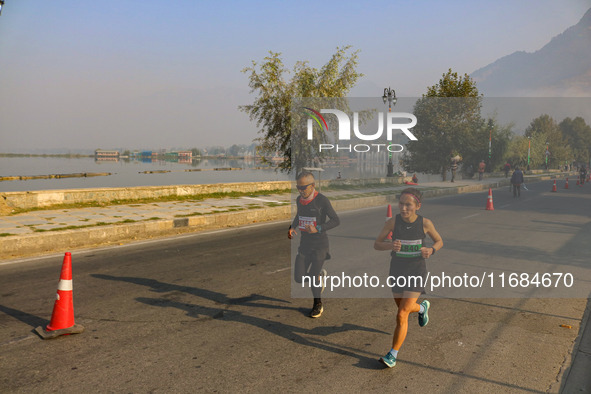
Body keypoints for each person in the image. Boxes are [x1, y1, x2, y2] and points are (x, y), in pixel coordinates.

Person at [373, 188, 443, 368]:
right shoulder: (392, 222)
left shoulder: (425, 223)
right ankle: (421, 308)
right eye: (401, 204)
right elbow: (376, 244)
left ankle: (392, 355)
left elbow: (439, 241)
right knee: (404, 308)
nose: (403, 208)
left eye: (408, 205)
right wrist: (390, 246)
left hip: (416, 271)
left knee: (402, 313)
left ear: (417, 206)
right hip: (397, 270)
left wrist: (431, 250)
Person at [288, 171, 340, 318]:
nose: (300, 190)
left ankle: (318, 304)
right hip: (305, 245)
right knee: (299, 278)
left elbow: (336, 220)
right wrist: (292, 227)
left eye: (303, 187)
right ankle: (319, 277)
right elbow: (299, 215)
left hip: (320, 245)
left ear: (313, 186)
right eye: (298, 186)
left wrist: (317, 228)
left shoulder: (322, 200)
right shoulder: (299, 200)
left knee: (311, 277)